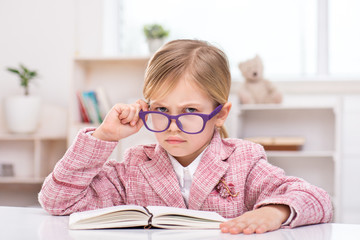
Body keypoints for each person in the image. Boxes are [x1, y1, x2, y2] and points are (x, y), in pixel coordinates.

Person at [39, 39, 333, 235]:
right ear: (146, 108)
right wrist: (103, 136)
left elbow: (318, 200)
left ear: (220, 114)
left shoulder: (245, 161)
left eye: (190, 110)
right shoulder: (133, 165)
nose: (173, 126)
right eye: (162, 109)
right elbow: (57, 202)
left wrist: (277, 211)